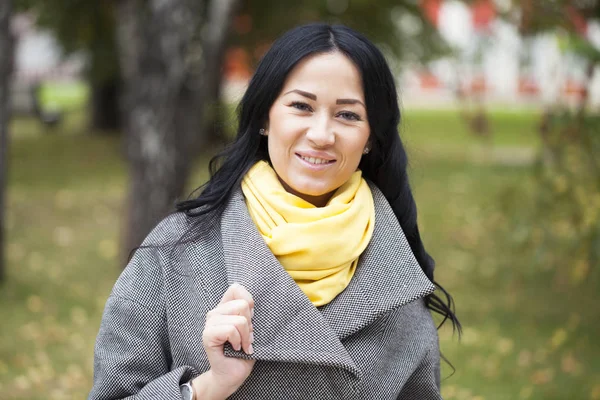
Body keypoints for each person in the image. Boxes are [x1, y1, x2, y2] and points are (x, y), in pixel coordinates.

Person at [88, 23, 460, 400]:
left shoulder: (396, 279)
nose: (321, 134)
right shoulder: (174, 251)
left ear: (370, 138)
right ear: (265, 118)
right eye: (301, 106)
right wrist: (208, 386)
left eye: (347, 115)